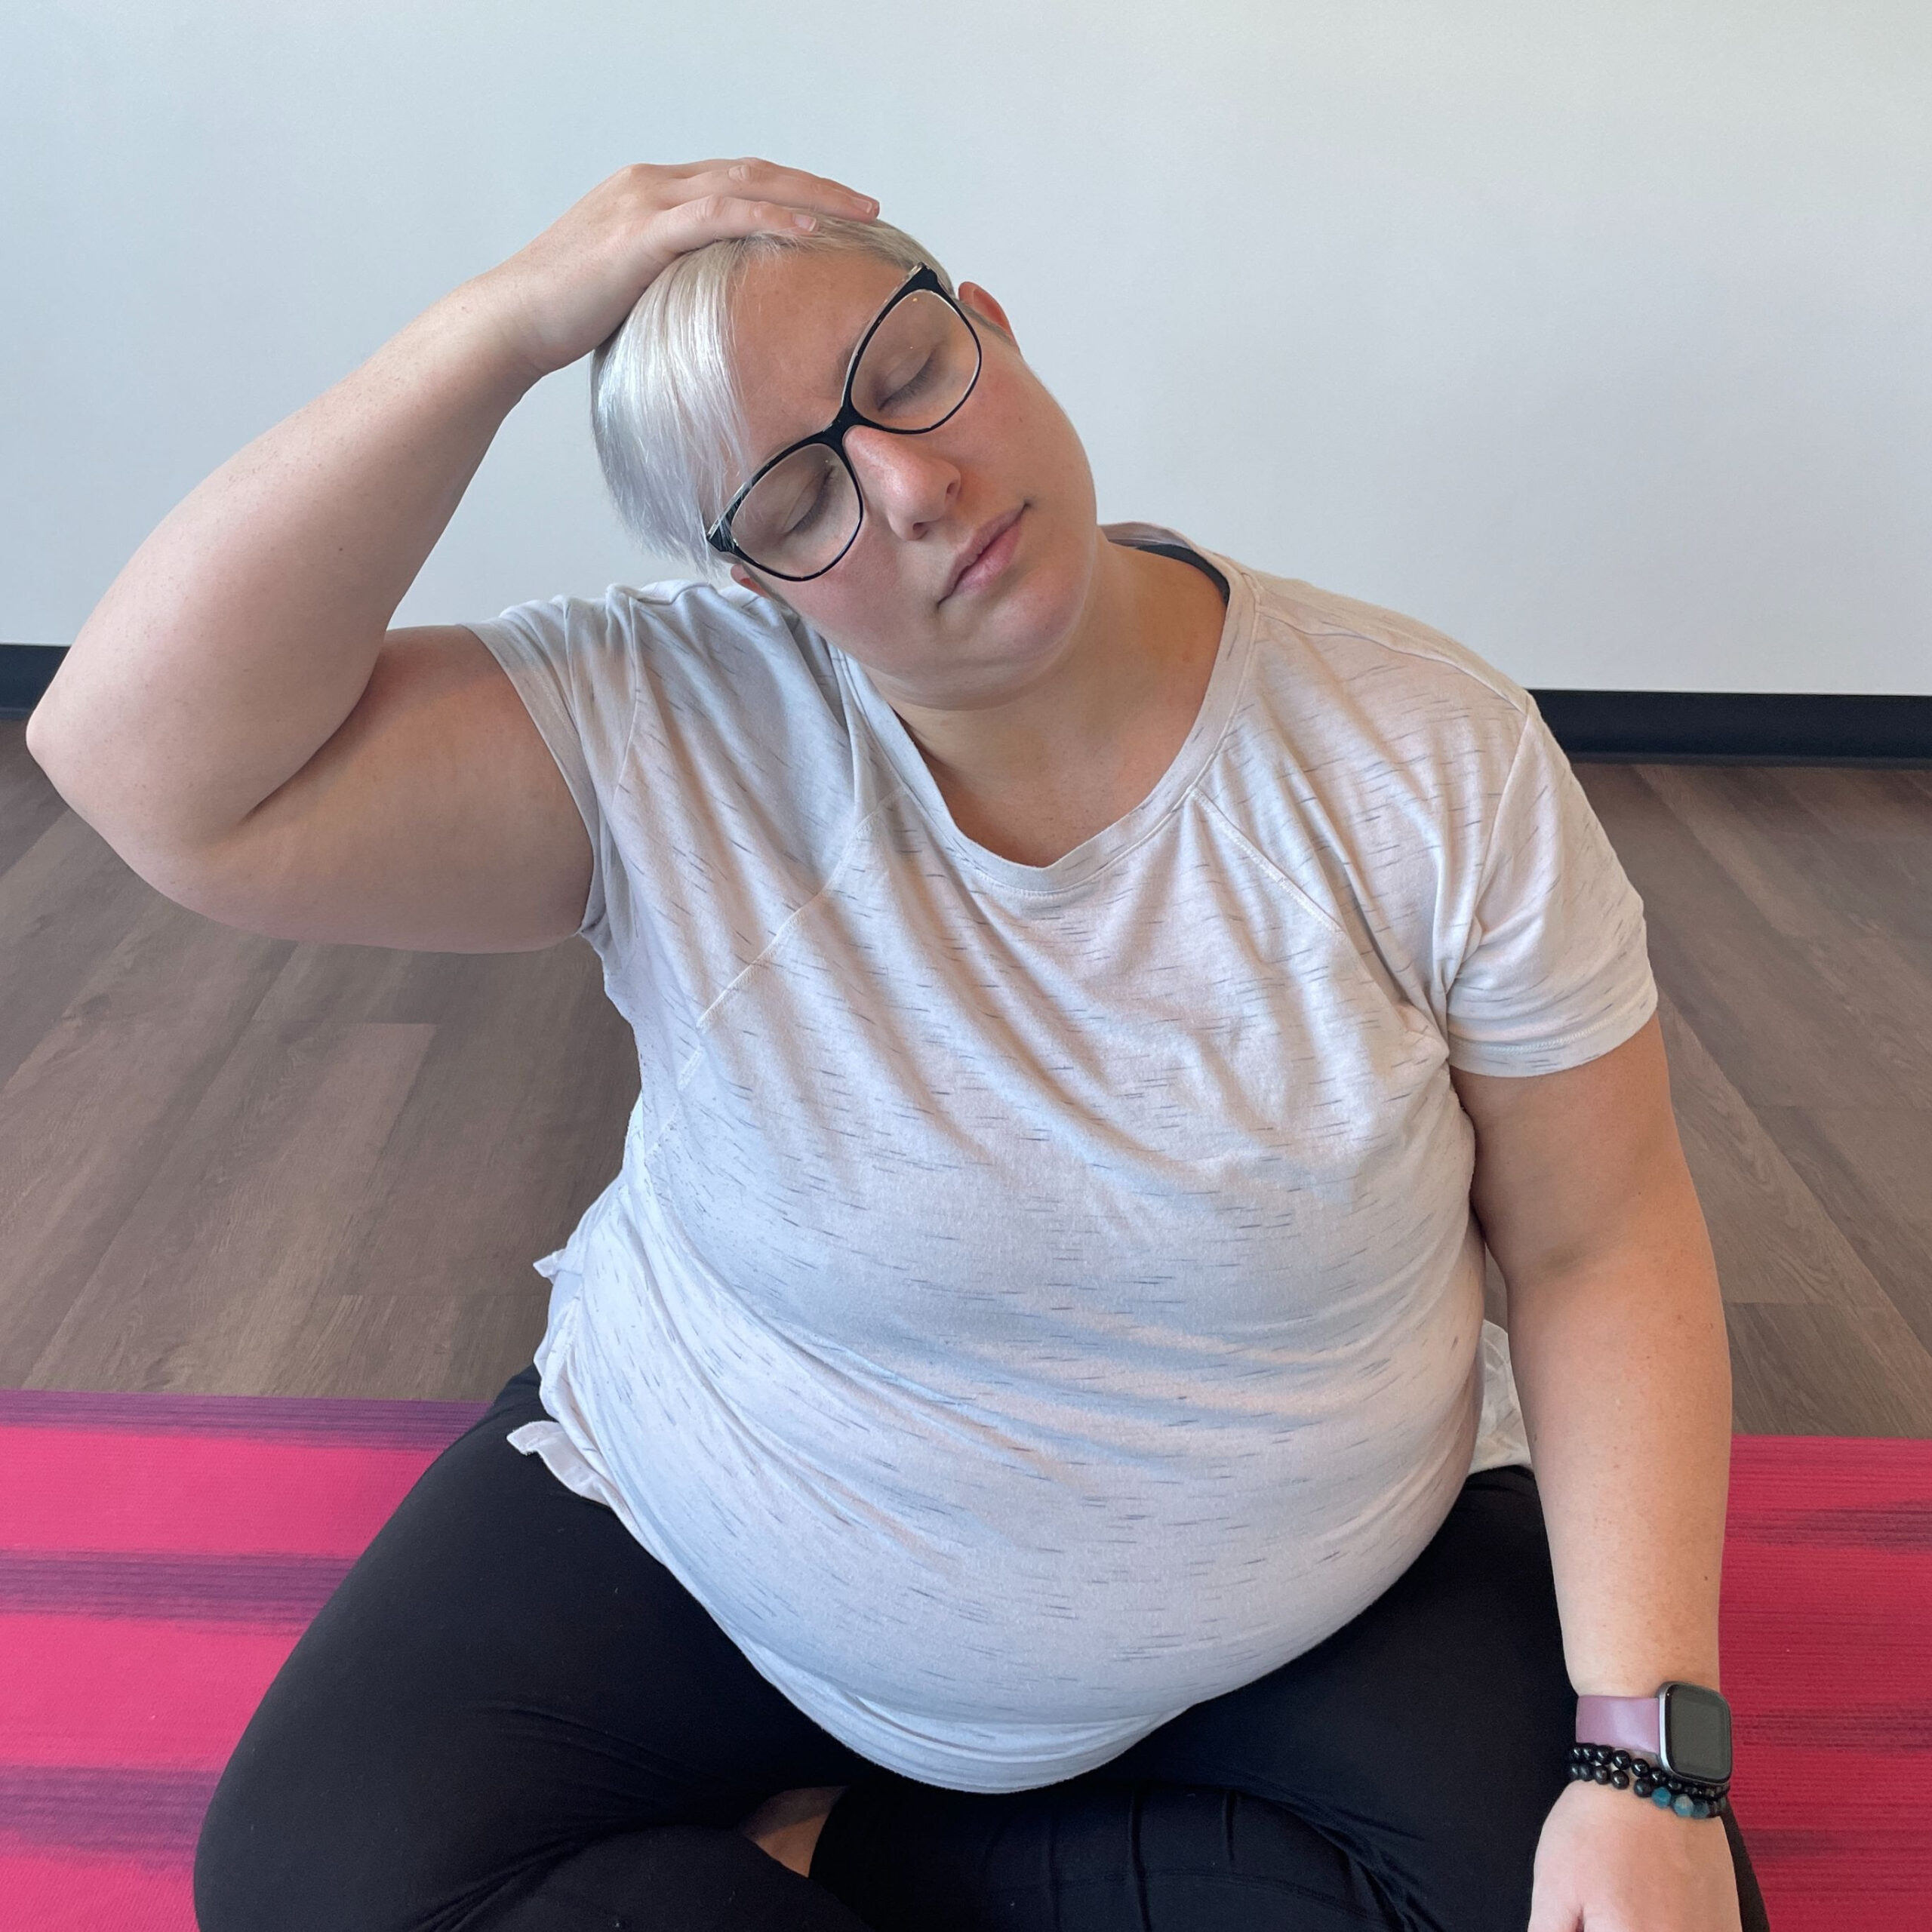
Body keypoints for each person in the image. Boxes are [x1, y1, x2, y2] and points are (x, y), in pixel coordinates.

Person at [28, 159, 1770, 1932]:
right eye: (796, 497)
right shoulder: (665, 720)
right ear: (746, 581)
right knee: (321, 1880)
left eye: (908, 371)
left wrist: (1645, 1767)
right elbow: (143, 767)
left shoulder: (1420, 749)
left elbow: (1595, 1236)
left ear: (988, 329)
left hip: (1324, 1589)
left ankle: (866, 1860)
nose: (914, 487)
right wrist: (500, 327)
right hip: (723, 1542)